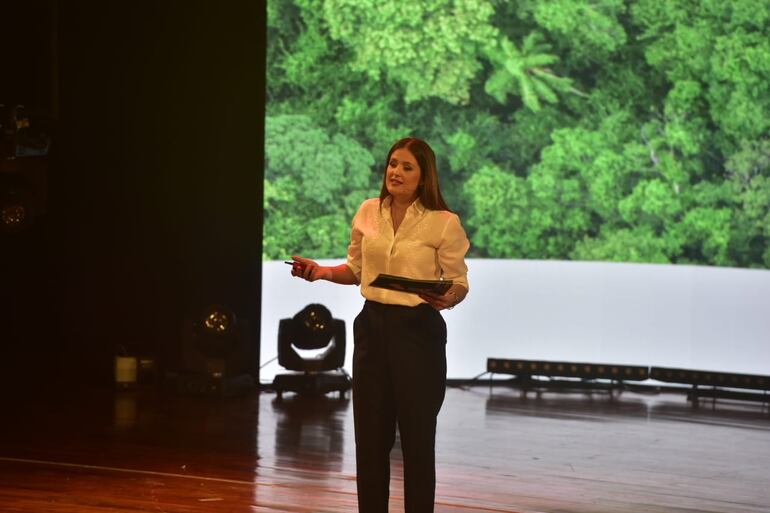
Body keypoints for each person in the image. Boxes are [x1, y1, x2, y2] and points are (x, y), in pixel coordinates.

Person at [290, 137, 470, 513]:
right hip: (373, 328)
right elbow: (356, 270)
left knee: (418, 438)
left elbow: (458, 283)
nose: (396, 172)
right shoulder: (369, 212)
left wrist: (447, 297)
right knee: (370, 439)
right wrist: (322, 272)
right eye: (392, 164)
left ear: (423, 177)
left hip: (418, 332)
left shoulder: (443, 222)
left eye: (407, 167)